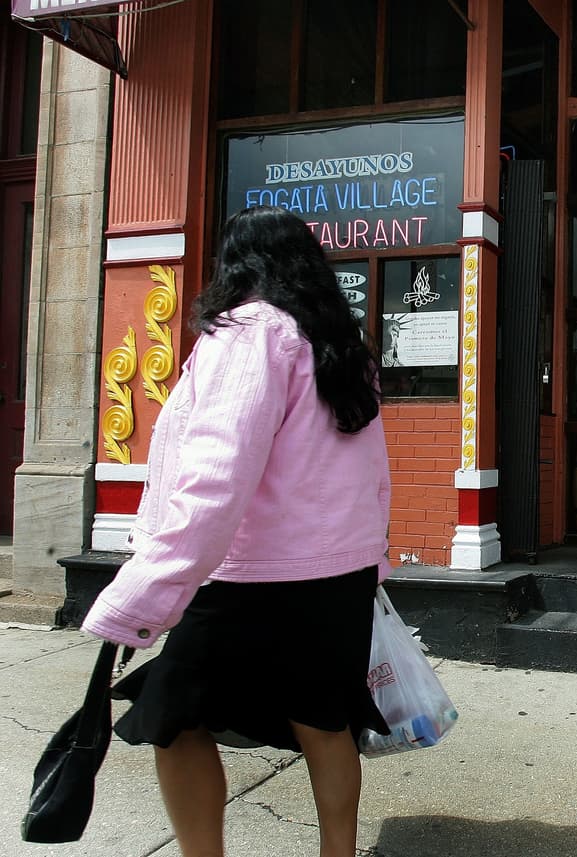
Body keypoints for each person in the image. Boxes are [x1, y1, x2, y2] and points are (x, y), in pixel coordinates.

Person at [81, 205, 393, 857]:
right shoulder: (339, 345)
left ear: (237, 262)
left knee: (171, 715)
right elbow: (373, 477)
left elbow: (216, 473)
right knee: (323, 723)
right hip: (337, 575)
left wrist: (144, 593)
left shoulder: (250, 331)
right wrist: (373, 567)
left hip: (254, 575)